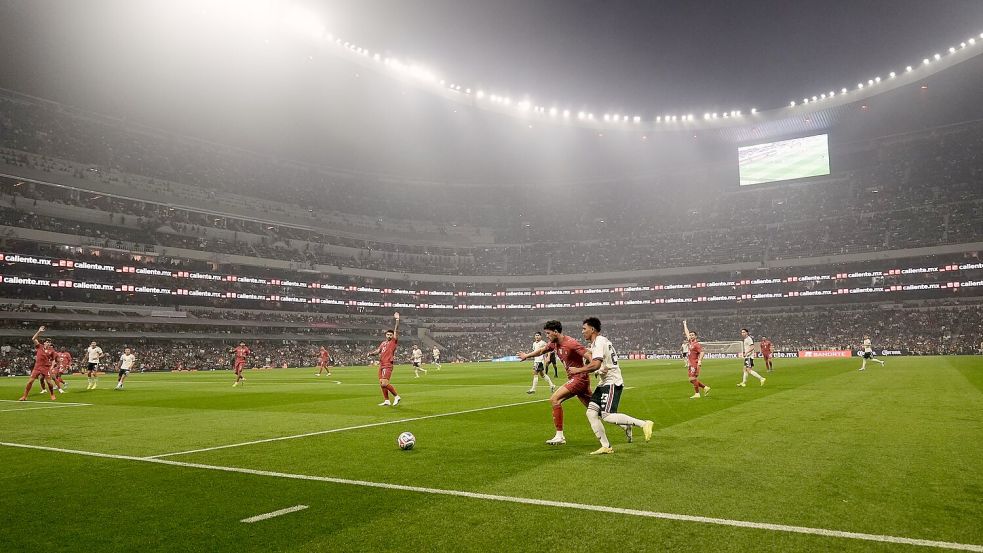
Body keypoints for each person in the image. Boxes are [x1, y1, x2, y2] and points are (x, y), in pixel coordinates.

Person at [570, 317, 654, 455]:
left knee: (607, 415)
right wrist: (599, 369)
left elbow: (596, 364)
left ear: (592, 329)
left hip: (612, 383)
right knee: (591, 413)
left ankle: (644, 424)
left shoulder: (599, 342)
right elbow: (602, 365)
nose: (582, 331)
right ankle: (606, 446)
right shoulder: (601, 342)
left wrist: (578, 370)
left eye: (584, 329)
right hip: (604, 383)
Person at [518, 320, 591, 445]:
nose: (547, 336)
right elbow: (541, 351)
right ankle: (624, 423)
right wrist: (527, 355)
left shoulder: (571, 343)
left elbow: (589, 355)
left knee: (555, 399)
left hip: (579, 378)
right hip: (577, 379)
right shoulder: (554, 344)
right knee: (595, 409)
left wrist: (589, 368)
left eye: (548, 333)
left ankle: (559, 436)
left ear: (556, 332)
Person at [368, 313, 401, 406]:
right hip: (381, 365)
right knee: (381, 383)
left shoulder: (393, 342)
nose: (389, 336)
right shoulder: (383, 343)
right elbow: (378, 351)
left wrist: (397, 320)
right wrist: (370, 353)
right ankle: (386, 400)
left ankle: (397, 396)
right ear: (385, 335)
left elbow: (396, 330)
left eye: (391, 334)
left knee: (384, 384)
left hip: (388, 364)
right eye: (388, 334)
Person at [18, 326, 57, 401]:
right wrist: (39, 331)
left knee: (49, 383)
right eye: (47, 342)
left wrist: (52, 366)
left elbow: (53, 360)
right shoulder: (39, 346)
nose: (48, 343)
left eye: (49, 342)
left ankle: (52, 394)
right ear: (44, 343)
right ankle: (25, 396)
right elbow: (33, 339)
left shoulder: (52, 351)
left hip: (46, 368)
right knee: (30, 382)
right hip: (37, 367)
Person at [683, 321, 710, 399]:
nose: (691, 336)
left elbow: (702, 352)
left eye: (692, 335)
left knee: (692, 378)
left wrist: (700, 360)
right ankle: (705, 387)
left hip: (694, 363)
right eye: (690, 335)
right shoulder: (690, 342)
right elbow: (687, 333)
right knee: (691, 379)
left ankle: (697, 394)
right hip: (690, 364)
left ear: (696, 336)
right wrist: (685, 325)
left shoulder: (696, 344)